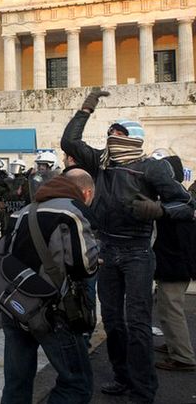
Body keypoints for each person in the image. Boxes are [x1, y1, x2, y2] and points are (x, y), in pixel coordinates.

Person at [61, 89, 195, 403]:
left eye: (117, 132)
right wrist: (86, 107)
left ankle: (143, 387)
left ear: (132, 138)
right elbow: (70, 141)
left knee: (137, 323)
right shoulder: (101, 162)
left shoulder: (152, 168)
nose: (111, 136)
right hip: (106, 249)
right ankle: (122, 376)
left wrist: (158, 210)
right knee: (112, 321)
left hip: (136, 253)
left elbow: (186, 206)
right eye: (109, 132)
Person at [0, 170, 99, 404]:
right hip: (52, 310)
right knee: (76, 383)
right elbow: (84, 266)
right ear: (86, 193)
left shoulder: (21, 213)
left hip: (16, 306)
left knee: (16, 382)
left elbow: (2, 256)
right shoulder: (71, 212)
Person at [149, 149, 196, 372]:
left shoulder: (178, 204)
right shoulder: (180, 199)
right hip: (174, 266)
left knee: (171, 310)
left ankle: (183, 357)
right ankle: (174, 344)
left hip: (175, 267)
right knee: (168, 309)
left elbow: (180, 243)